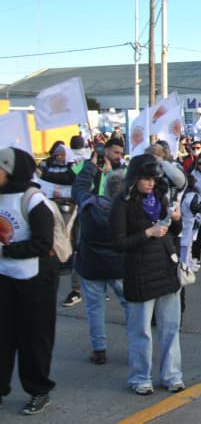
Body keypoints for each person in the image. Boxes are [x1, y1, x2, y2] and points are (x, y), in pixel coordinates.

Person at [111, 155, 184, 396]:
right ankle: (141, 377)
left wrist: (176, 220)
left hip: (165, 268)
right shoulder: (122, 203)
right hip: (139, 273)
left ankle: (172, 375)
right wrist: (147, 233)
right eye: (145, 178)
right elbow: (118, 242)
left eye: (153, 178)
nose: (150, 183)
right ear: (134, 178)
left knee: (170, 328)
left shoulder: (160, 198)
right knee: (140, 330)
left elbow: (173, 232)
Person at [0, 148, 59, 415]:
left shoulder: (34, 201)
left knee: (34, 337)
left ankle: (38, 390)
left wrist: (7, 251)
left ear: (11, 170)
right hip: (4, 276)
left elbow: (43, 244)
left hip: (35, 279)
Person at [71, 154, 127, 367]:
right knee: (131, 306)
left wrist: (90, 167)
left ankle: (99, 349)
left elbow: (78, 188)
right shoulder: (127, 210)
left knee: (95, 308)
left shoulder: (89, 204)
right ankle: (138, 346)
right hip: (119, 264)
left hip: (92, 264)